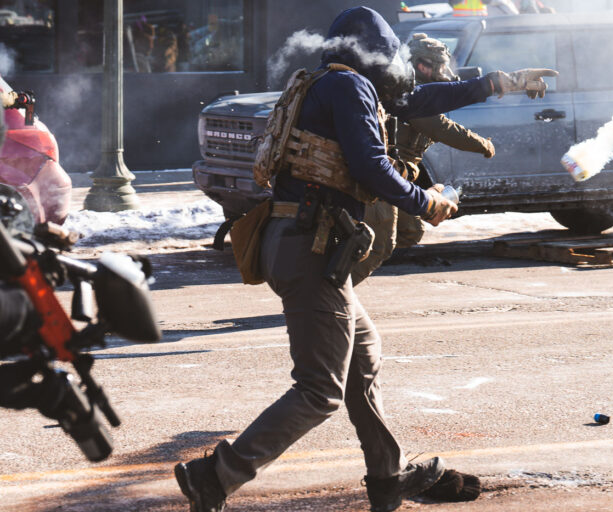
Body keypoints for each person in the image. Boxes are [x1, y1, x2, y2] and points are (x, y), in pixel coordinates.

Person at [174, 7, 556, 512]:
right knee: (319, 391)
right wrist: (426, 201)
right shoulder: (350, 88)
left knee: (363, 356)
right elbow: (371, 165)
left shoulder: (327, 84)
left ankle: (386, 476)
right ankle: (215, 476)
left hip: (299, 241)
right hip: (313, 248)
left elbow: (419, 99)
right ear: (372, 51)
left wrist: (495, 83)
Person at [351, 33, 497, 286]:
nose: (445, 72)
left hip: (399, 177)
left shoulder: (418, 88)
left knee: (410, 230)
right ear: (422, 66)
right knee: (380, 245)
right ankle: (332, 292)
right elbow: (441, 127)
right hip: (384, 175)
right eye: (441, 67)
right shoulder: (406, 92)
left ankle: (344, 262)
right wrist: (483, 144)